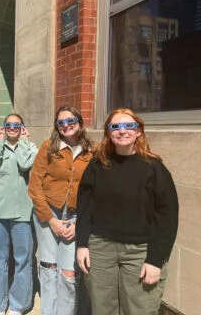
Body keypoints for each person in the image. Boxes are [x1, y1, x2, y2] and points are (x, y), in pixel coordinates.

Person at [76, 108, 179, 315]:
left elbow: (167, 216)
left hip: (140, 251)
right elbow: (85, 206)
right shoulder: (98, 164)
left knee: (140, 309)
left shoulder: (154, 168)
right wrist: (82, 244)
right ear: (108, 133)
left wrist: (155, 260)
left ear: (138, 131)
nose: (122, 131)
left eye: (128, 126)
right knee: (103, 308)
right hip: (101, 248)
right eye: (115, 126)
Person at [28, 105, 94, 315]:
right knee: (49, 269)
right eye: (61, 123)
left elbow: (96, 192)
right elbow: (34, 186)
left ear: (80, 123)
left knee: (69, 273)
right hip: (48, 214)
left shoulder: (92, 151)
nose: (66, 126)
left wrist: (79, 224)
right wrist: (50, 219)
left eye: (71, 121)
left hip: (76, 217)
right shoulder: (49, 147)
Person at [0, 114, 38, 315]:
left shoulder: (30, 147)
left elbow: (25, 164)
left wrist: (24, 141)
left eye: (17, 125)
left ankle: (18, 304)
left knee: (22, 259)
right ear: (4, 127)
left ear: (22, 127)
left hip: (22, 212)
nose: (13, 128)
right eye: (9, 125)